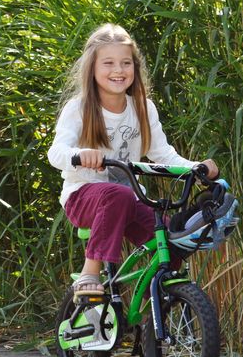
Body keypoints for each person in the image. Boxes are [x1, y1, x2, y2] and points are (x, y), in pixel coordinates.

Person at [46, 23, 219, 297]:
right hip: (83, 198)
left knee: (170, 250)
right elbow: (55, 153)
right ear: (92, 68)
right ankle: (91, 270)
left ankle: (156, 316)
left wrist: (196, 168)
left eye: (126, 63)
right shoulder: (79, 108)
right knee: (117, 195)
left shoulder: (142, 108)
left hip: (131, 199)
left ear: (135, 68)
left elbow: (162, 154)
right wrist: (80, 155)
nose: (119, 70)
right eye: (109, 63)